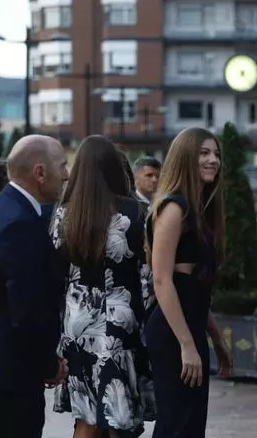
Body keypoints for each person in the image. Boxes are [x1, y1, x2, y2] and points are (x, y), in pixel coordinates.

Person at [49, 135, 155, 438]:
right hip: (122, 325)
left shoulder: (63, 215)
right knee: (119, 421)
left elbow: (55, 274)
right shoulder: (136, 213)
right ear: (114, 167)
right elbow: (147, 277)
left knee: (86, 419)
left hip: (76, 324)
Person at [144, 127, 232, 438]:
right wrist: (186, 344)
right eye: (204, 153)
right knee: (175, 426)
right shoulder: (174, 208)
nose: (213, 160)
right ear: (185, 159)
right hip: (172, 333)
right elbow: (162, 279)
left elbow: (195, 288)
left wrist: (216, 339)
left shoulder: (199, 212)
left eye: (216, 154)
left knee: (191, 427)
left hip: (189, 328)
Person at [0, 134, 69, 438]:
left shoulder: (5, 209)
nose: (66, 174)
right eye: (62, 165)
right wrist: (48, 364)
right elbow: (24, 310)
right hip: (11, 378)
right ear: (40, 173)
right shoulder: (20, 224)